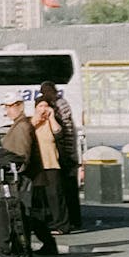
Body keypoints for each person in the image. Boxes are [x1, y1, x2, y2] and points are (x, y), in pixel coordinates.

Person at [0, 91, 58, 257]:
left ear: (19, 106)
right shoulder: (19, 124)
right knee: (32, 215)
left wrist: (17, 170)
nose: (7, 111)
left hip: (30, 179)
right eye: (6, 107)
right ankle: (44, 244)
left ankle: (41, 245)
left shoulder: (23, 126)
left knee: (32, 215)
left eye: (10, 107)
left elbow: (23, 153)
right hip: (29, 178)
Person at [40, 79, 81, 231]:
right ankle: (74, 220)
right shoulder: (60, 103)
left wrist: (67, 154)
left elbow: (65, 131)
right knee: (69, 190)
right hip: (69, 153)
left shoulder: (59, 105)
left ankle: (70, 221)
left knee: (65, 190)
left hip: (66, 154)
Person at [32, 96, 70, 234]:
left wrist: (51, 117)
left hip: (52, 163)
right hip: (37, 165)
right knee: (39, 196)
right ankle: (45, 223)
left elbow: (59, 133)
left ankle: (62, 225)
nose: (43, 109)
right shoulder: (32, 121)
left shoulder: (52, 122)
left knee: (55, 195)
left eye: (45, 106)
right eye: (40, 106)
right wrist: (37, 118)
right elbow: (28, 132)